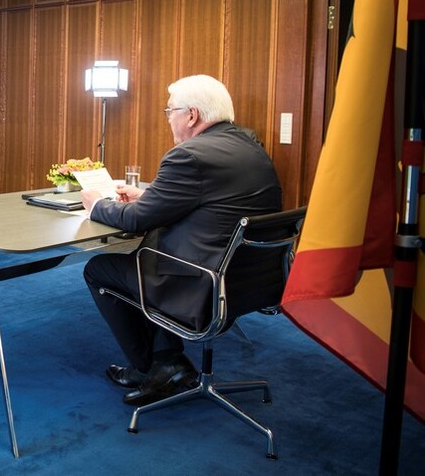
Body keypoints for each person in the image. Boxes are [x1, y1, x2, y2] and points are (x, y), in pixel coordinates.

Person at [80, 75, 282, 408]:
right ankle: (166, 356)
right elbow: (212, 203)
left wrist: (97, 205)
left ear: (191, 116)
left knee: (100, 268)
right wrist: (149, 196)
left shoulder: (190, 155)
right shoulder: (250, 148)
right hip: (249, 280)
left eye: (169, 111)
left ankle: (155, 369)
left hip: (201, 283)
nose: (168, 118)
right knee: (155, 252)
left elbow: (136, 220)